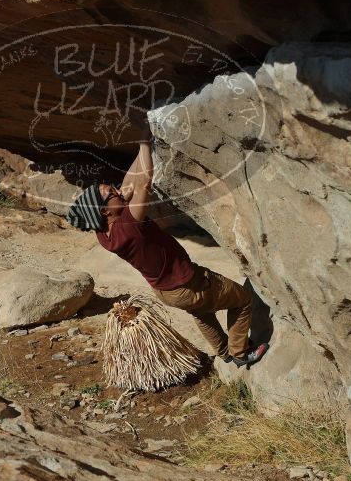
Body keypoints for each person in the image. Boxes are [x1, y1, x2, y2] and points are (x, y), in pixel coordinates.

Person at [65, 132, 268, 367]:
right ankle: (241, 353)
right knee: (241, 301)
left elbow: (130, 182)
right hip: (188, 283)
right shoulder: (129, 225)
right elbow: (143, 182)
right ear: (104, 211)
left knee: (201, 313)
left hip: (167, 291)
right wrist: (142, 141)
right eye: (112, 192)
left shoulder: (105, 234)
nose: (118, 190)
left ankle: (223, 352)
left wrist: (127, 185)